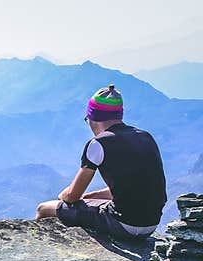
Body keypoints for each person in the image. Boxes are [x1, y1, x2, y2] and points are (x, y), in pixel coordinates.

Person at [35, 84, 167, 239]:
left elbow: (72, 196)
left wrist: (63, 195)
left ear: (93, 118)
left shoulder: (98, 143)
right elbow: (135, 186)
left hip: (122, 224)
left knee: (43, 208)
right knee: (87, 203)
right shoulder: (145, 137)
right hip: (151, 224)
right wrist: (93, 196)